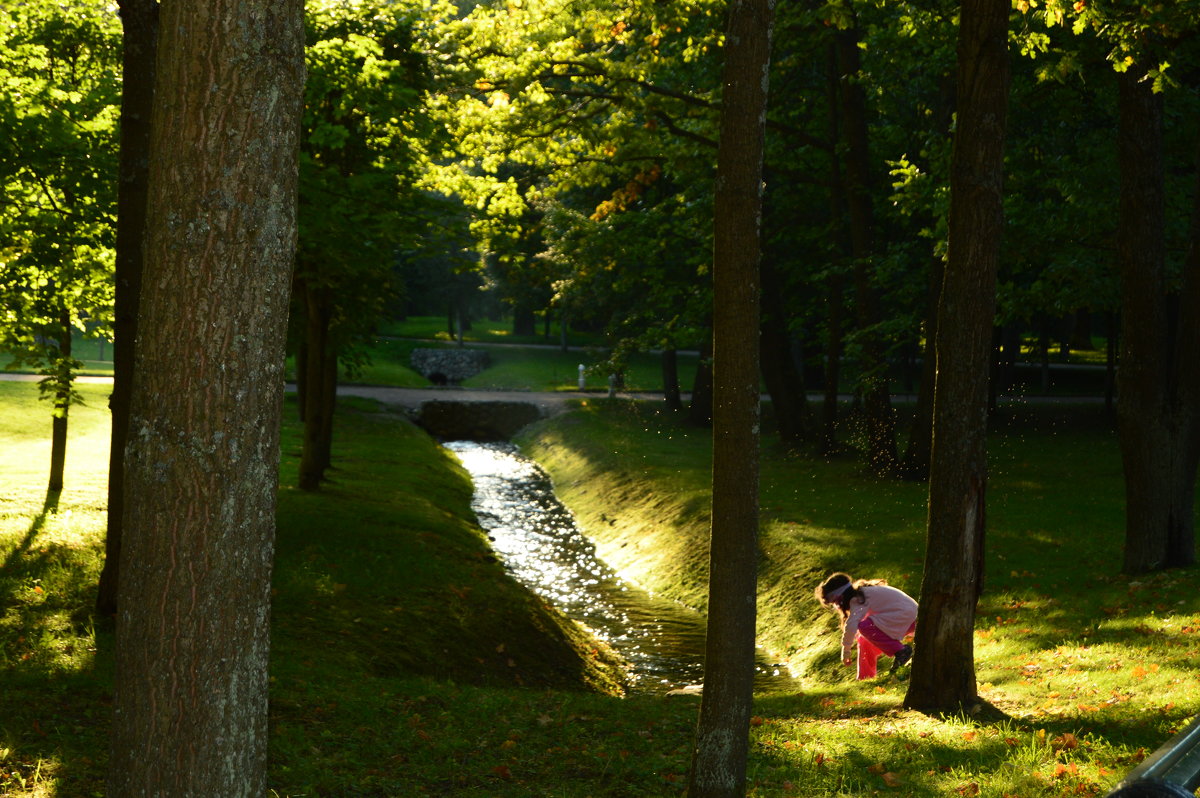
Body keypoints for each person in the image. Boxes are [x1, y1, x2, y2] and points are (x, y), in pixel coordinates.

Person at [815, 572, 917, 680]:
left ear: (841, 597)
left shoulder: (858, 599)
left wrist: (846, 652)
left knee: (864, 627)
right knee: (864, 639)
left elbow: (851, 626)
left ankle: (901, 651)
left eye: (835, 603)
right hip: (908, 617)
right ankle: (865, 677)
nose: (837, 607)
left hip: (907, 617)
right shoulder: (864, 593)